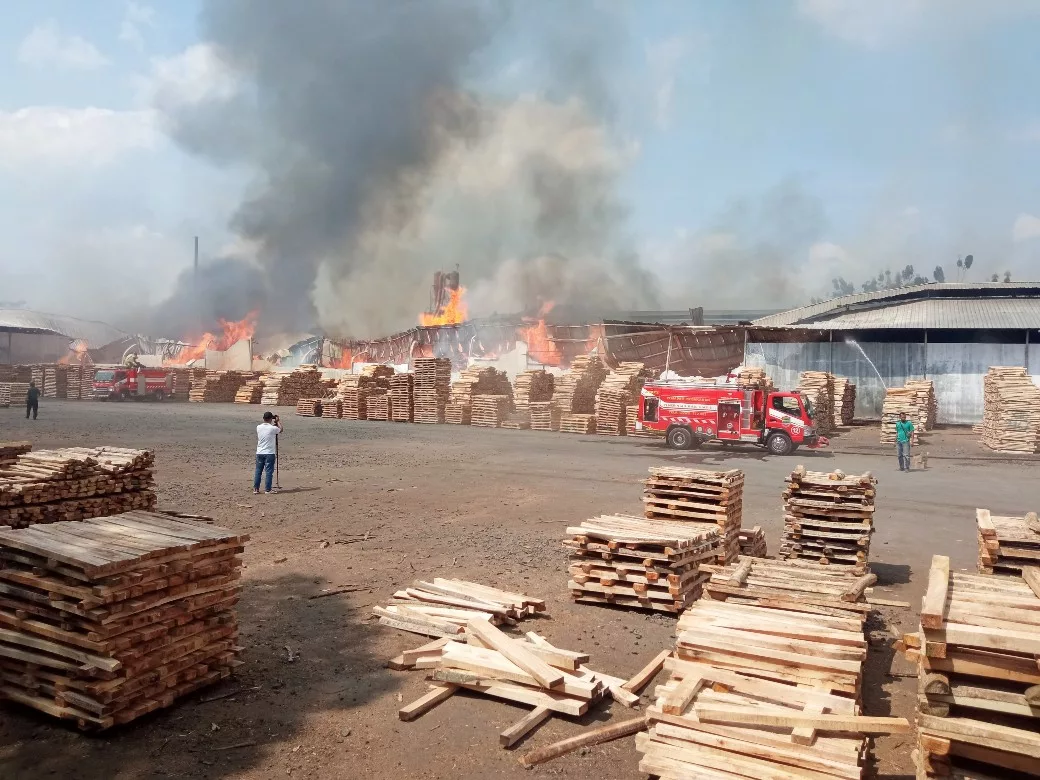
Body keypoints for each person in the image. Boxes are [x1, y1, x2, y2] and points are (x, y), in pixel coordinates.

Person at [254, 411, 282, 494]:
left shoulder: (258, 427)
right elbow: (281, 429)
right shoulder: (273, 428)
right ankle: (268, 489)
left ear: (263, 418)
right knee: (269, 471)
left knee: (258, 471)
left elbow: (269, 430)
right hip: (269, 453)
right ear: (271, 419)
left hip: (259, 452)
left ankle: (256, 489)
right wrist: (278, 421)